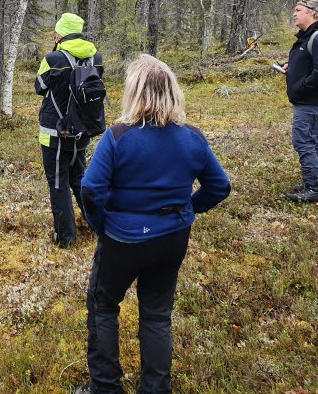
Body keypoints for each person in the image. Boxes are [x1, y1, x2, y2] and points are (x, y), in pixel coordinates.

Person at [75, 55, 231, 394]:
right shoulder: (193, 137)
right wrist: (187, 209)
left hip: (122, 240)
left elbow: (90, 189)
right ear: (173, 92)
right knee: (157, 315)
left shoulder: (117, 137)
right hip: (172, 238)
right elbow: (219, 187)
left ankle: (104, 387)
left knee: (103, 307)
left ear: (133, 92)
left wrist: (100, 224)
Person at [35, 12, 103, 248]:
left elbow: (39, 87)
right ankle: (96, 224)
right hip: (83, 131)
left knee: (58, 183)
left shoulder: (53, 59)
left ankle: (66, 237)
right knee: (79, 178)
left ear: (61, 33)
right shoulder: (97, 57)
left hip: (54, 133)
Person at [281, 0, 318, 203]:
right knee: (309, 141)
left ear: (313, 14)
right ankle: (310, 181)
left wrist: (302, 86)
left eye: (298, 10)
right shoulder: (311, 35)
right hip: (309, 101)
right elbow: (312, 64)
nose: (294, 14)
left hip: (313, 102)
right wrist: (293, 68)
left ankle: (313, 189)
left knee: (304, 141)